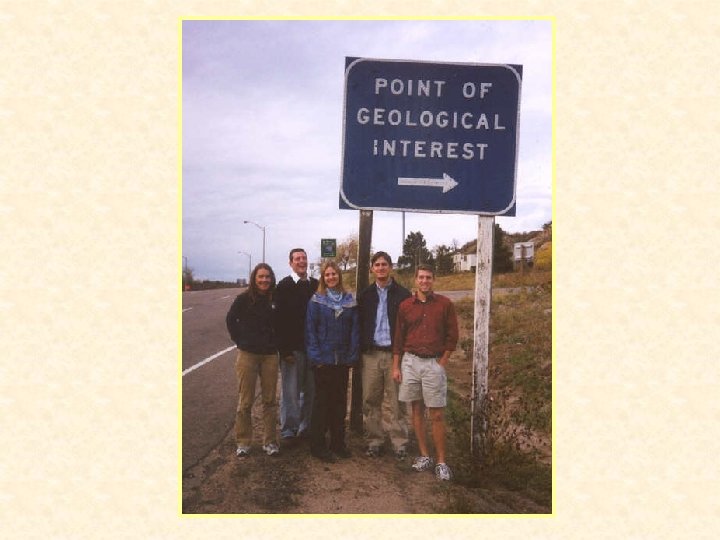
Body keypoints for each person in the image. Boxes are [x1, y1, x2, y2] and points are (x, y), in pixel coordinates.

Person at [392, 264, 459, 481]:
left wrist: (443, 361)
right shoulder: (405, 306)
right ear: (415, 280)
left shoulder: (444, 304)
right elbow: (399, 338)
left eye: (428, 277)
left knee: (436, 414)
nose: (424, 281)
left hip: (433, 363)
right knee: (416, 410)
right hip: (410, 362)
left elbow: (452, 335)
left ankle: (441, 462)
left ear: (433, 280)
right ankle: (424, 455)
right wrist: (396, 366)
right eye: (421, 277)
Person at [357, 251, 411, 459]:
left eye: (384, 264)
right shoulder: (365, 296)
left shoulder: (403, 294)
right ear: (372, 269)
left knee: (397, 400)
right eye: (377, 265)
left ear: (390, 267)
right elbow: (359, 325)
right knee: (370, 400)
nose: (381, 268)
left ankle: (400, 442)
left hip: (394, 356)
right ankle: (375, 440)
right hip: (371, 355)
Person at [305, 261, 360, 462]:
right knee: (321, 404)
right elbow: (311, 331)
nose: (331, 277)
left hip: (342, 361)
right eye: (327, 275)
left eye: (334, 274)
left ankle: (338, 443)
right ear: (323, 278)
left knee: (339, 404)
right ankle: (317, 445)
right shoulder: (316, 301)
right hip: (323, 361)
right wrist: (316, 358)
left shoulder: (349, 300)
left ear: (339, 276)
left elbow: (355, 330)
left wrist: (352, 356)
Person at [225, 263, 280, 458]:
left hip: (270, 355)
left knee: (270, 401)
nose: (264, 280)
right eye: (260, 276)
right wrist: (240, 340)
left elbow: (281, 324)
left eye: (267, 277)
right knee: (245, 401)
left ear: (271, 278)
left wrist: (276, 342)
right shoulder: (243, 299)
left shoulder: (275, 299)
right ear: (254, 279)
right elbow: (231, 320)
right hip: (247, 355)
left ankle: (270, 442)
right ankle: (243, 442)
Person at [275, 248, 319, 443]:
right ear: (290, 263)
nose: (301, 261)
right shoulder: (283, 286)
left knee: (311, 391)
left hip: (313, 349)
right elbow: (278, 321)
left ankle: (305, 427)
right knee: (290, 392)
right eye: (297, 258)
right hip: (292, 350)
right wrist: (284, 350)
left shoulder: (315, 285)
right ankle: (289, 430)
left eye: (304, 258)